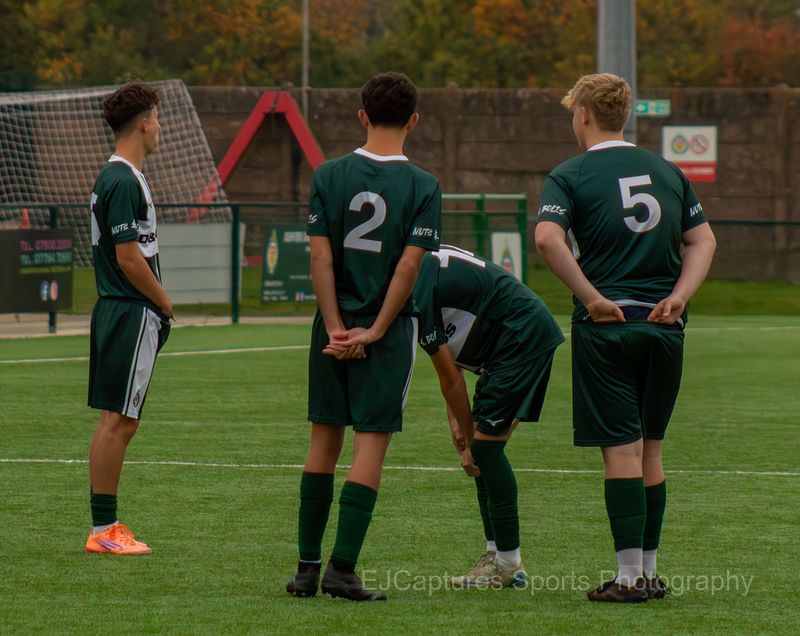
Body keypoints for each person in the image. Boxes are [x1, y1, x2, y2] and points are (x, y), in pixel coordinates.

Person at [535, 73, 716, 603]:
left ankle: (628, 577)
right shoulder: (667, 171)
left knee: (621, 451)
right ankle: (652, 571)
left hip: (608, 327)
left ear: (585, 114)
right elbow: (702, 239)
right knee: (651, 449)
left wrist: (590, 296)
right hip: (664, 326)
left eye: (573, 112)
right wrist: (681, 294)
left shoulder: (569, 174)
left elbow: (547, 237)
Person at [285, 72, 441, 601]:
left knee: (322, 443)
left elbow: (320, 255)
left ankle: (306, 569)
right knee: (369, 447)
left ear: (362, 115)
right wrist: (373, 331)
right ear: (414, 121)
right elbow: (408, 267)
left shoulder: (329, 174)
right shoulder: (423, 185)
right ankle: (342, 570)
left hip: (330, 329)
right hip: (387, 333)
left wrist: (334, 325)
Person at [412, 245, 564, 588]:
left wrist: (468, 439)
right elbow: (450, 366)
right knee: (483, 450)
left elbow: (450, 378)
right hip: (510, 340)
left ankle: (508, 561)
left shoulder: (413, 284)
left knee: (485, 451)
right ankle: (497, 555)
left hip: (520, 337)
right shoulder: (419, 264)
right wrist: (457, 423)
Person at [85, 82, 172, 555]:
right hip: (128, 308)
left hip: (122, 310)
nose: (159, 127)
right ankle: (104, 530)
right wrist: (165, 301)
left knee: (117, 419)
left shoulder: (124, 176)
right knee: (120, 420)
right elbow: (129, 258)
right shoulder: (121, 178)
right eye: (157, 118)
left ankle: (104, 527)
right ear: (143, 122)